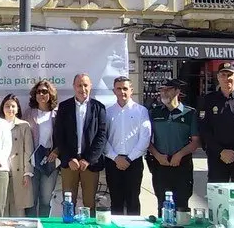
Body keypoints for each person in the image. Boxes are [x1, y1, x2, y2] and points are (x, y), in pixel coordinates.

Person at [54, 73, 107, 210]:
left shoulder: (99, 107)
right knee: (68, 203)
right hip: (69, 162)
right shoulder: (64, 107)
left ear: (90, 87)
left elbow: (101, 136)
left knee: (89, 203)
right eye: (79, 85)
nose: (82, 89)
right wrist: (69, 158)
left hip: (90, 164)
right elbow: (59, 135)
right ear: (73, 87)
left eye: (85, 85)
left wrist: (88, 159)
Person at [147, 78, 200, 216]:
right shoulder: (154, 112)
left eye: (168, 89)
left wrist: (180, 154)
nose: (164, 93)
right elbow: (146, 140)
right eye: (162, 90)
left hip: (182, 165)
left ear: (177, 91)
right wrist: (157, 155)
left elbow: (195, 142)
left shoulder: (190, 113)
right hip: (160, 164)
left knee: (182, 205)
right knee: (162, 204)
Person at [104, 76, 151, 215]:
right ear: (114, 91)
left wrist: (129, 159)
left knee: (133, 200)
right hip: (113, 162)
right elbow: (103, 139)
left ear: (131, 90)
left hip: (134, 162)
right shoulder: (107, 112)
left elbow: (145, 138)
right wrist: (115, 157)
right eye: (119, 88)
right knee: (116, 201)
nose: (122, 92)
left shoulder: (141, 111)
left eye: (125, 88)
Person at [23, 80, 59, 218]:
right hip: (32, 161)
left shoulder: (57, 113)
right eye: (38, 91)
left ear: (50, 94)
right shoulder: (29, 113)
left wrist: (57, 150)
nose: (41, 94)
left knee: (45, 199)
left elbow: (63, 137)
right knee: (31, 200)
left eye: (45, 91)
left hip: (50, 161)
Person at [0, 94, 34, 217]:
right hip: (1, 170)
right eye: (7, 106)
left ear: (18, 108)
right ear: (2, 108)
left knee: (18, 207)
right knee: (2, 206)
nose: (10, 109)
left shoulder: (24, 125)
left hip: (19, 170)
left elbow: (28, 151)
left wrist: (27, 172)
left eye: (13, 106)